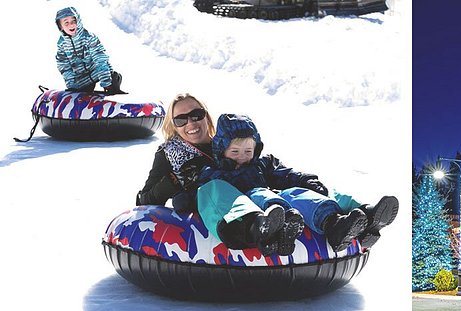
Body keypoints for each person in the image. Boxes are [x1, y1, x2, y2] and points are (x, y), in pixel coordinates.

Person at [137, 93, 396, 254]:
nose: (191, 123)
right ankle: (257, 227)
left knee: (300, 191)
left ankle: (358, 217)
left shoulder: (232, 139)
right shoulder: (171, 155)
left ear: (206, 116)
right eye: (181, 119)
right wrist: (173, 184)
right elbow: (146, 199)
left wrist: (305, 181)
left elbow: (276, 170)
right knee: (227, 191)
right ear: (174, 125)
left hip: (263, 198)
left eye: (196, 114)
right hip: (221, 207)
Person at [196, 114, 398, 253]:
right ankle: (266, 228)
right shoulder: (214, 173)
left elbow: (287, 175)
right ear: (221, 151)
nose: (242, 157)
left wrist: (306, 181)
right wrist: (184, 199)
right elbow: (207, 197)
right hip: (252, 208)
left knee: (297, 193)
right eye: (235, 152)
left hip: (277, 202)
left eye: (248, 152)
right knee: (260, 194)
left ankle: (343, 222)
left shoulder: (264, 164)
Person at [55, 7, 123, 94]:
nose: (71, 25)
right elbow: (64, 66)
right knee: (79, 90)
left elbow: (100, 59)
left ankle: (112, 90)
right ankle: (83, 96)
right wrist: (72, 87)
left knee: (112, 77)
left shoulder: (89, 38)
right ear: (61, 27)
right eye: (66, 23)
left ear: (78, 21)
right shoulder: (62, 45)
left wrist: (106, 82)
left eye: (73, 21)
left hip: (96, 72)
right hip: (82, 79)